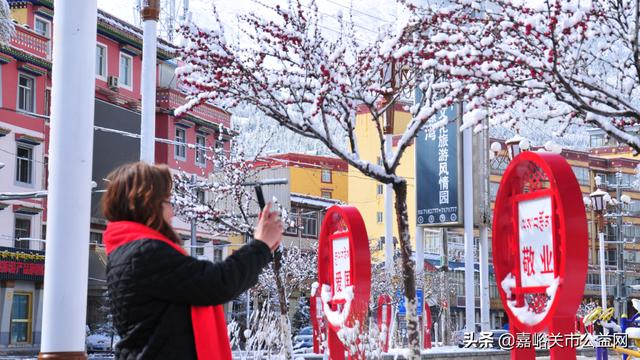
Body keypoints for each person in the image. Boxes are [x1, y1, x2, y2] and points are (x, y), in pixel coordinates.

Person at [102, 162, 282, 359]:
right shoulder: (145, 254)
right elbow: (217, 283)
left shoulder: (129, 251)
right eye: (168, 201)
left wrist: (262, 247)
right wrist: (260, 246)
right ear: (148, 203)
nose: (173, 212)